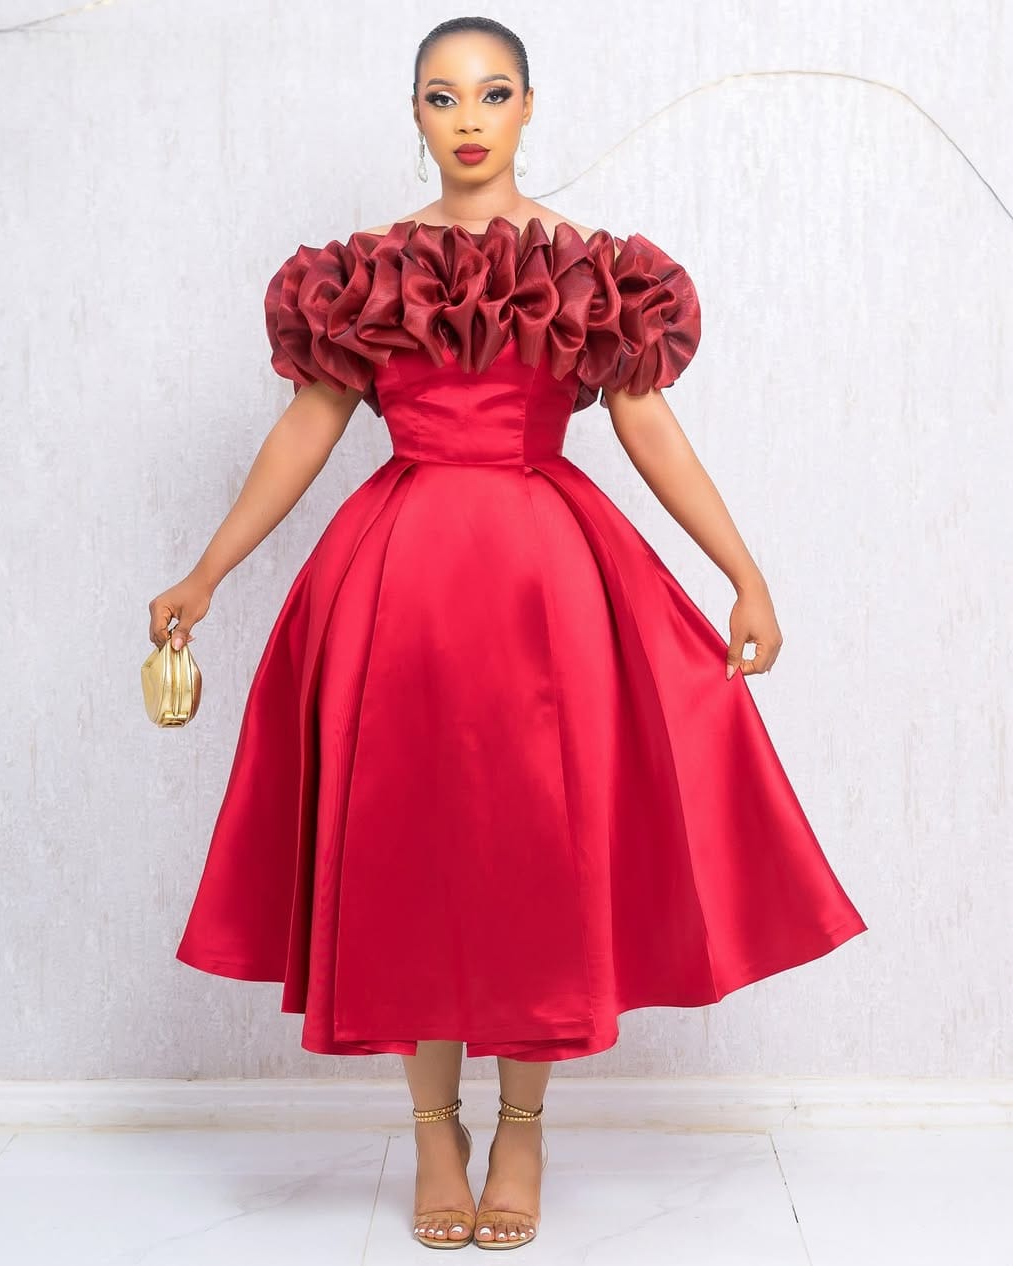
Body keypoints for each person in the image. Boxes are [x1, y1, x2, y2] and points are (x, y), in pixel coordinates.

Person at [147, 15, 868, 1253]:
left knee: (541, 845)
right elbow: (310, 427)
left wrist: (743, 573)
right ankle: (435, 1129)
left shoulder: (586, 269)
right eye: (442, 96)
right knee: (407, 846)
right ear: (415, 115)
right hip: (399, 586)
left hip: (546, 584)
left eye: (492, 93)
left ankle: (522, 1128)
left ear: (530, 107)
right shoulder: (368, 273)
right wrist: (207, 572)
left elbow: (648, 427)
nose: (468, 119)